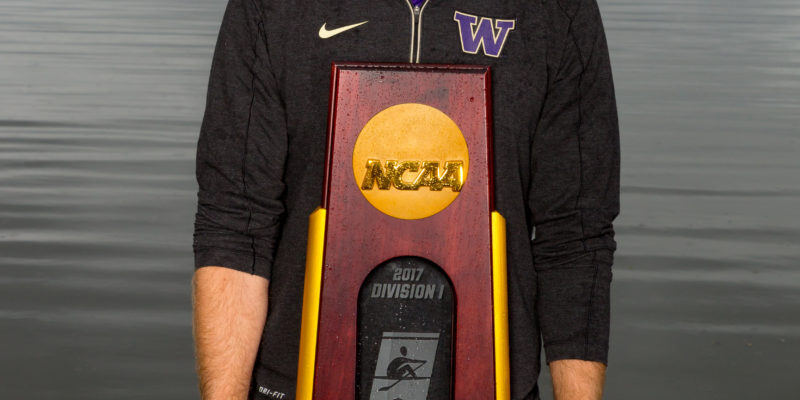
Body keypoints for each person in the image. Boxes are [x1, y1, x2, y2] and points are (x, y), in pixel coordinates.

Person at [192, 0, 619, 399]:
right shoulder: (271, 7)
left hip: (493, 381)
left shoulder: (557, 9)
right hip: (299, 381)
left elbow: (576, 236)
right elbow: (236, 222)